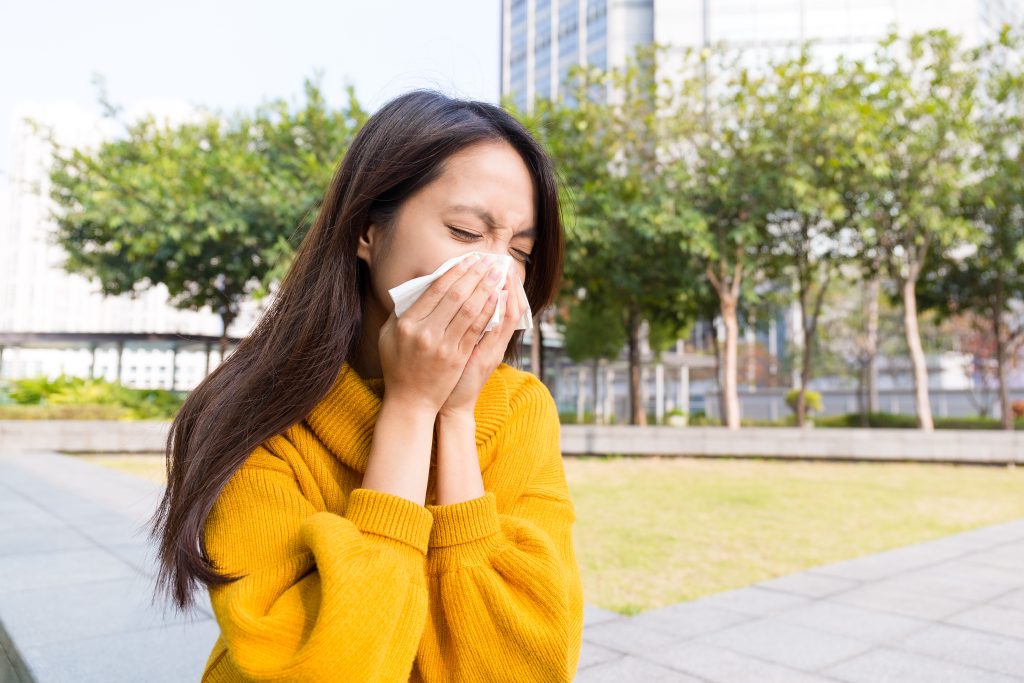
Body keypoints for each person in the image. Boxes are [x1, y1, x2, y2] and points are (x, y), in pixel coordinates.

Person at [148, 88, 584, 682]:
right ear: (366, 230)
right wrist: (410, 407)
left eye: (520, 251)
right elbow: (328, 667)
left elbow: (525, 666)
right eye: (463, 231)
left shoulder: (520, 410)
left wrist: (453, 419)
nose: (496, 272)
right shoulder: (257, 416)